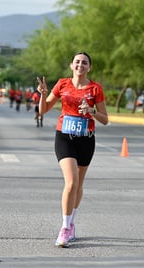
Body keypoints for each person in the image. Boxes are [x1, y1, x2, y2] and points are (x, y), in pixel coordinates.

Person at [36, 52, 108, 247]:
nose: (80, 65)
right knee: (71, 182)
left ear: (89, 67)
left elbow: (105, 119)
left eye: (84, 63)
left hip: (86, 140)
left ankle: (72, 222)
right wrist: (43, 96)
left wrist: (92, 112)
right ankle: (65, 227)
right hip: (64, 137)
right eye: (77, 62)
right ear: (71, 65)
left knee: (79, 184)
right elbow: (43, 110)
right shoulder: (62, 84)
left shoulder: (95, 89)